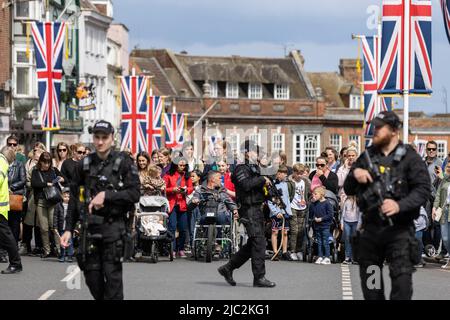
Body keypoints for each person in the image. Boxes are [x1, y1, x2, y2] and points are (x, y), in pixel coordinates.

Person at [344, 111, 431, 300]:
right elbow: (349, 188)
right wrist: (355, 173)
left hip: (398, 233)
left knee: (402, 286)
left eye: (379, 127)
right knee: (372, 288)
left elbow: (423, 190)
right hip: (371, 233)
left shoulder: (410, 157)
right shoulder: (367, 156)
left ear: (393, 130)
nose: (374, 131)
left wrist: (399, 205)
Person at [60, 120, 141, 300]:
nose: (100, 142)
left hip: (113, 229)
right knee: (93, 279)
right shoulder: (84, 165)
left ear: (112, 138)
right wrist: (67, 228)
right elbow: (75, 197)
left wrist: (107, 196)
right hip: (89, 230)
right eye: (97, 137)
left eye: (105, 137)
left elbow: (135, 194)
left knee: (113, 283)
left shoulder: (124, 163)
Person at [217, 140, 276, 288]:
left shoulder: (255, 169)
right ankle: (259, 277)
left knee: (254, 243)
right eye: (255, 151)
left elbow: (259, 189)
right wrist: (262, 179)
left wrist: (270, 191)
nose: (258, 154)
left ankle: (228, 268)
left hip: (256, 208)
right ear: (247, 153)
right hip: (248, 209)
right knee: (258, 242)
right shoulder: (240, 169)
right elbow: (246, 185)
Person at [190, 170, 238, 253]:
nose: (221, 180)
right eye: (219, 178)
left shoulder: (221, 190)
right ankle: (204, 242)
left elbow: (228, 200)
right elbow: (194, 198)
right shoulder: (200, 189)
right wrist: (194, 200)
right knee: (203, 220)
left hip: (220, 213)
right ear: (212, 179)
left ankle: (218, 243)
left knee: (221, 217)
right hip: (205, 213)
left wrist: (234, 209)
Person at [31, 152, 65, 258]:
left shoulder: (54, 170)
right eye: (44, 162)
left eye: (48, 162)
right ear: (40, 162)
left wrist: (61, 179)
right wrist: (46, 184)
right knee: (44, 228)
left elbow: (64, 179)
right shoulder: (35, 171)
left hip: (52, 201)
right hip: (41, 201)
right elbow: (34, 184)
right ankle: (47, 250)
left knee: (53, 226)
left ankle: (60, 249)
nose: (46, 165)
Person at [163, 157, 193, 258]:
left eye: (184, 165)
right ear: (175, 165)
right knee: (172, 227)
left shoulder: (187, 175)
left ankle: (181, 249)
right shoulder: (168, 175)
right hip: (172, 203)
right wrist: (173, 189)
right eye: (180, 165)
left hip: (182, 204)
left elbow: (191, 188)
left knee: (183, 228)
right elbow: (164, 189)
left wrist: (185, 190)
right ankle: (172, 249)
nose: (182, 167)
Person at [0, 146, 22, 274]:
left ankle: (16, 263)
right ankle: (16, 263)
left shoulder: (1, 163)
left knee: (7, 237)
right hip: (1, 207)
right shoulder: (3, 163)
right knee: (6, 237)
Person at [267, 165, 295, 261]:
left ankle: (284, 251)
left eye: (285, 173)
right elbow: (270, 200)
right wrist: (276, 211)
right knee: (275, 231)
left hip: (285, 211)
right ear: (278, 174)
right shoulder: (272, 185)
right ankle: (275, 252)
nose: (285, 175)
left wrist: (288, 210)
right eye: (283, 173)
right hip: (276, 213)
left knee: (285, 232)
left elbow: (288, 198)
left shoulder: (287, 184)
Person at [5, 136, 26, 244]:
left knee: (15, 223)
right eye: (10, 144)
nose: (12, 146)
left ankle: (13, 246)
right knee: (4, 224)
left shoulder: (19, 163)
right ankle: (3, 249)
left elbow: (23, 180)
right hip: (3, 197)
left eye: (14, 144)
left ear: (17, 146)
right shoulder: (2, 161)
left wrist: (10, 188)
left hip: (14, 196)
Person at [288, 163, 311, 261]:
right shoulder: (290, 182)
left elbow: (309, 192)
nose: (300, 175)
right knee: (294, 230)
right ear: (294, 172)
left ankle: (299, 250)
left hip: (303, 207)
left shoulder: (305, 182)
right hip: (293, 207)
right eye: (298, 173)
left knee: (301, 231)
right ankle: (292, 251)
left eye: (302, 173)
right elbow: (287, 195)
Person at [432, 161, 450, 269]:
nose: (449, 168)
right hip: (444, 211)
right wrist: (434, 207)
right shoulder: (444, 180)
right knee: (446, 238)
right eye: (448, 166)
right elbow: (438, 194)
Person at [340, 195, 361, 264]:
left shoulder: (358, 201)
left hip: (355, 222)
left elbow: (359, 214)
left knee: (354, 240)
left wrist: (359, 224)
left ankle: (354, 258)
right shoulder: (347, 201)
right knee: (347, 239)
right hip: (347, 222)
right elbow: (343, 213)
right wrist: (342, 223)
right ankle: (347, 257)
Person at [54, 188, 73, 262]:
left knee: (70, 242)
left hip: (69, 228)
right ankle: (62, 255)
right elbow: (55, 216)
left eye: (68, 197)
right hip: (61, 227)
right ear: (62, 196)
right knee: (62, 242)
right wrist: (55, 227)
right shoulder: (58, 205)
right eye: (65, 196)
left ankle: (70, 256)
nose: (67, 198)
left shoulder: (72, 205)